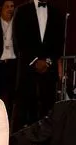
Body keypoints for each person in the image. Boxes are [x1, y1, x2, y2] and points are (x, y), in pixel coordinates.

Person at [12, 0, 64, 130]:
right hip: (27, 68)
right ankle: (20, 143)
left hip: (48, 69)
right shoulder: (22, 10)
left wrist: (47, 62)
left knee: (47, 107)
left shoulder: (57, 13)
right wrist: (35, 61)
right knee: (25, 105)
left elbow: (59, 42)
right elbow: (19, 39)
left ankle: (46, 144)